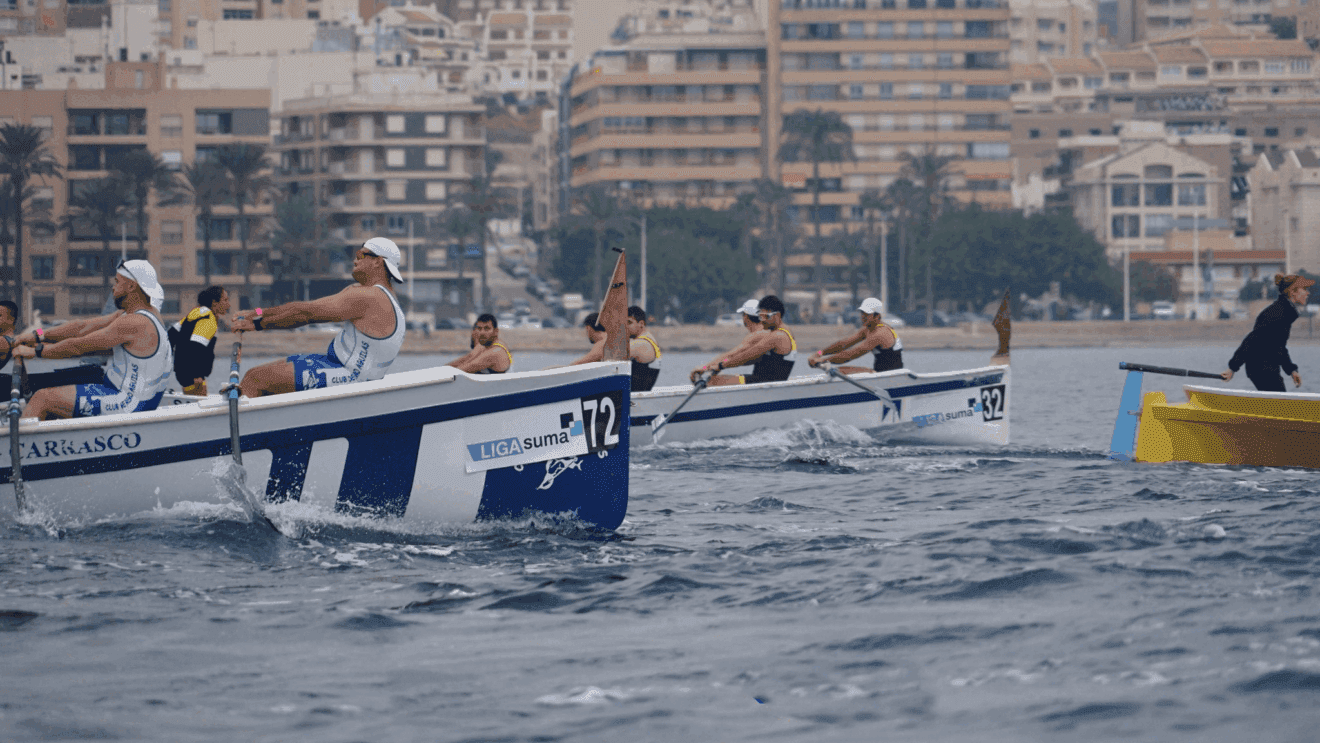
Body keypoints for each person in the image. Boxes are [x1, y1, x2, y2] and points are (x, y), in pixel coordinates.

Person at [230, 237, 406, 397]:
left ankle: (239, 430)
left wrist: (258, 323)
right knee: (276, 368)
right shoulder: (381, 297)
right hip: (331, 362)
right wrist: (259, 313)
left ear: (377, 262)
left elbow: (305, 313)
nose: (355, 260)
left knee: (256, 378)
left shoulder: (369, 297)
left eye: (361, 255)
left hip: (349, 376)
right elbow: (304, 308)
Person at [12, 260, 173, 420]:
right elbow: (80, 327)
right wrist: (37, 334)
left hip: (128, 404)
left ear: (131, 287)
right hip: (120, 393)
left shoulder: (134, 322)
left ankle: (19, 445)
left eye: (117, 282)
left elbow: (79, 346)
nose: (113, 287)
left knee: (42, 399)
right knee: (53, 399)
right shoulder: (135, 314)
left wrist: (34, 352)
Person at [1222, 273, 1313, 391]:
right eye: (1304, 289)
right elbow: (1251, 340)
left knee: (1278, 403)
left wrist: (1292, 370)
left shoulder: (1284, 311)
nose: (1308, 293)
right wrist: (1232, 368)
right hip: (1261, 368)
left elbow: (1279, 347)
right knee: (1279, 404)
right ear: (1293, 291)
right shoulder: (1277, 314)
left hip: (1267, 367)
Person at [690, 295, 797, 387]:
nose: (762, 320)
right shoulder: (785, 331)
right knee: (724, 378)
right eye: (761, 316)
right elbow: (750, 359)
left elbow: (741, 356)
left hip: (765, 383)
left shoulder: (774, 336)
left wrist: (711, 367)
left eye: (765, 316)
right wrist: (716, 366)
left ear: (745, 317)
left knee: (713, 381)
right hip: (768, 381)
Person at [807, 297, 904, 374]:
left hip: (890, 375)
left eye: (867, 314)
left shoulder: (880, 334)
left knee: (839, 372)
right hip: (880, 373)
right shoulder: (867, 329)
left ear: (877, 316)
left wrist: (822, 361)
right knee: (838, 371)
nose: (863, 316)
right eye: (862, 313)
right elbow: (844, 344)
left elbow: (851, 354)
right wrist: (820, 353)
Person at [169, 285, 230, 396]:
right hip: (193, 375)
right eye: (225, 300)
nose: (228, 304)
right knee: (197, 405)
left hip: (183, 371)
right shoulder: (208, 320)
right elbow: (195, 347)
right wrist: (196, 374)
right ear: (214, 302)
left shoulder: (196, 313)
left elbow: (171, 335)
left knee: (195, 403)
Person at [445, 314, 513, 374]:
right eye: (479, 329)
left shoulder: (495, 352)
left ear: (496, 331)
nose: (482, 332)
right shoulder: (485, 346)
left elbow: (460, 371)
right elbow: (465, 359)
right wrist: (441, 369)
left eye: (487, 329)